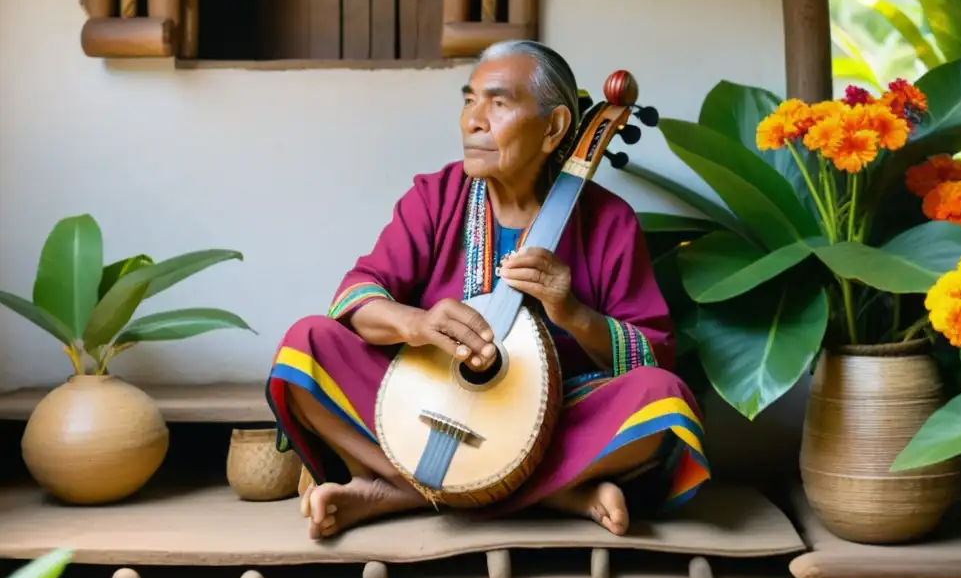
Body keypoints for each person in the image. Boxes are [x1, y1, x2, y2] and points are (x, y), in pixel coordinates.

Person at [266, 40, 709, 540]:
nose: (473, 121)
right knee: (305, 345)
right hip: (425, 403)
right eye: (468, 100)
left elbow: (653, 357)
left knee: (662, 399)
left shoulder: (608, 222)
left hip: (554, 421)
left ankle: (399, 492)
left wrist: (574, 314)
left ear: (555, 128)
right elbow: (356, 298)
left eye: (498, 103)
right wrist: (415, 323)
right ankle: (559, 495)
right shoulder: (435, 196)